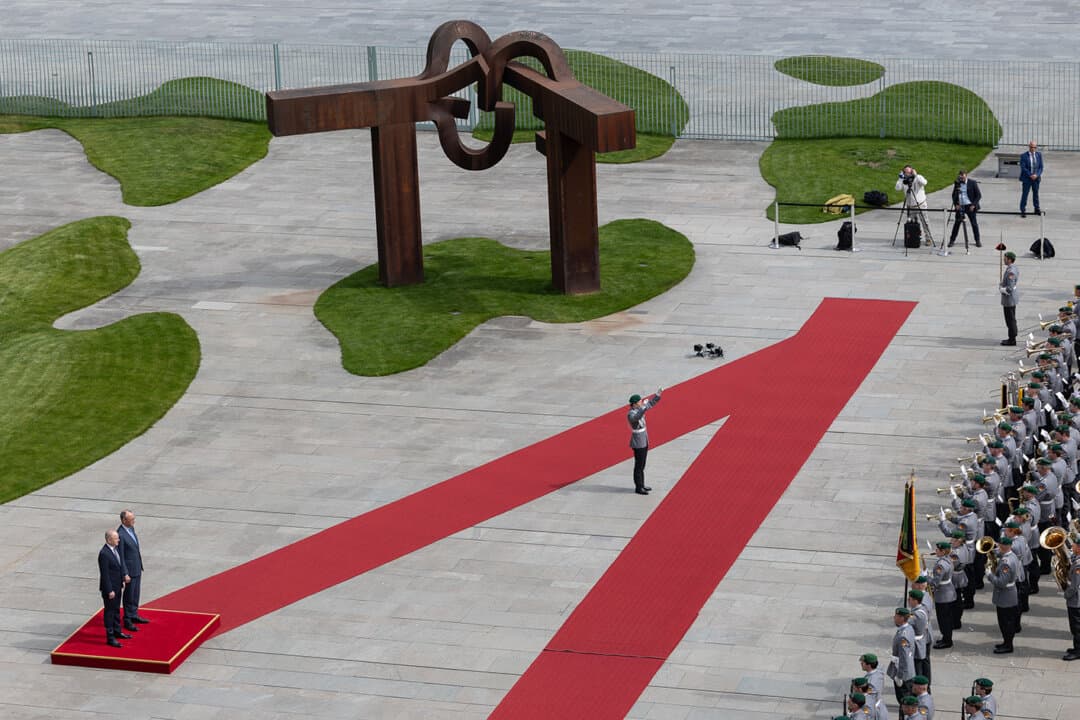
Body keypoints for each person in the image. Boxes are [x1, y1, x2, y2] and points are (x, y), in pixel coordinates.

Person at [987, 536, 1022, 653]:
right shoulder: (1011, 555)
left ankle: (1008, 645)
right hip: (1009, 594)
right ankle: (1006, 642)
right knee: (1006, 622)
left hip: (1005, 596)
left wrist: (990, 575)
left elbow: (1001, 583)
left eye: (1000, 546)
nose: (998, 547)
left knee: (1006, 623)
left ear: (1004, 546)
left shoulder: (1006, 563)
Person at [117, 509, 150, 630]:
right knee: (129, 595)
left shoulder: (131, 529)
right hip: (129, 571)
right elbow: (120, 555)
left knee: (136, 593)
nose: (134, 521)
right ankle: (127, 619)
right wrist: (124, 573)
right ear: (124, 520)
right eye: (131, 519)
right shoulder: (120, 534)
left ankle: (134, 614)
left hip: (136, 567)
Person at [97, 529, 131, 647]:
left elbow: (118, 566)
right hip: (110, 589)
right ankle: (110, 636)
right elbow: (105, 574)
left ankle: (117, 631)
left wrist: (123, 576)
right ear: (109, 539)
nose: (119, 540)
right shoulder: (104, 554)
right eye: (116, 538)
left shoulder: (114, 550)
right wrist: (109, 590)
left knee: (116, 610)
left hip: (117, 586)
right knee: (110, 612)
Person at [627, 388, 662, 495]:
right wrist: (644, 407)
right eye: (639, 402)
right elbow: (637, 417)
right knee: (639, 465)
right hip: (638, 441)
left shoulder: (639, 408)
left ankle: (642, 484)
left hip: (644, 439)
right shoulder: (631, 414)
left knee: (642, 465)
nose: (641, 403)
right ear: (634, 404)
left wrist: (657, 395)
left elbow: (650, 404)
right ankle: (638, 487)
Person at [889, 607, 916, 703]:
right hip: (908, 671)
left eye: (896, 616)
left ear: (901, 618)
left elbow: (904, 657)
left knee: (903, 701)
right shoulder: (909, 628)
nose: (894, 618)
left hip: (903, 674)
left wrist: (899, 676)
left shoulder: (903, 636)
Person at [949, 170, 982, 248]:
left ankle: (977, 240)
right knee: (957, 224)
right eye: (960, 177)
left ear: (966, 175)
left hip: (970, 205)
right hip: (960, 206)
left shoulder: (972, 183)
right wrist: (956, 204)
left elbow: (978, 195)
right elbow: (954, 195)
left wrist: (973, 205)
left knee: (974, 224)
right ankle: (952, 240)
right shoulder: (957, 183)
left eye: (963, 177)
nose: (962, 179)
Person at [1063, 533, 1080, 661]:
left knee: (1077, 627)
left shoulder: (1078, 565)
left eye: (1074, 544)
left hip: (1076, 600)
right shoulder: (1077, 559)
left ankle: (1078, 651)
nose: (1072, 545)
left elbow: (1074, 587)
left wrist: (1066, 594)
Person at [1019, 140, 1044, 218]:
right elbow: (1023, 167)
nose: (1033, 149)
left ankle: (1036, 208)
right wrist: (1030, 175)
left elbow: (1041, 167)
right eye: (1032, 147)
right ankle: (1023, 210)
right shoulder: (1024, 156)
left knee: (1036, 194)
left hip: (1036, 179)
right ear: (1029, 147)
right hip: (1027, 178)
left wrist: (1037, 174)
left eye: (1035, 147)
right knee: (1025, 194)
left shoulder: (1038, 155)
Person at [999, 251, 1019, 346]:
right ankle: (1012, 337)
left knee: (1010, 319)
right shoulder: (1012, 268)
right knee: (1010, 319)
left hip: (1009, 299)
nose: (1004, 259)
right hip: (1010, 299)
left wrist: (1002, 289)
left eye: (1005, 258)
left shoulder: (1011, 271)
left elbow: (1010, 288)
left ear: (1010, 259)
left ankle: (1012, 339)